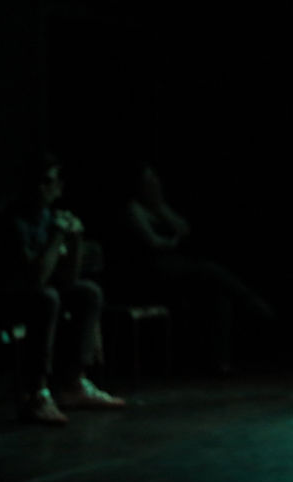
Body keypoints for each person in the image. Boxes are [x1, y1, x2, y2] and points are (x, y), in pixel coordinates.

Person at [0, 151, 125, 425]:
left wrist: (75, 239)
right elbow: (35, 279)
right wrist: (57, 236)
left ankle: (73, 383)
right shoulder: (9, 221)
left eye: (47, 181)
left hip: (35, 293)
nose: (40, 188)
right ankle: (36, 394)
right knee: (47, 297)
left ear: (58, 187)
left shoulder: (48, 217)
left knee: (87, 292)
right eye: (36, 181)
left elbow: (68, 279)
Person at [112, 160, 276, 375]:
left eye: (155, 178)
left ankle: (219, 361)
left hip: (176, 268)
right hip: (152, 273)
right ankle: (255, 304)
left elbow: (184, 228)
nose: (155, 183)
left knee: (219, 295)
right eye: (149, 179)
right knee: (209, 270)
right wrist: (173, 240)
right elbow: (153, 242)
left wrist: (160, 209)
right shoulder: (133, 209)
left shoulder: (157, 207)